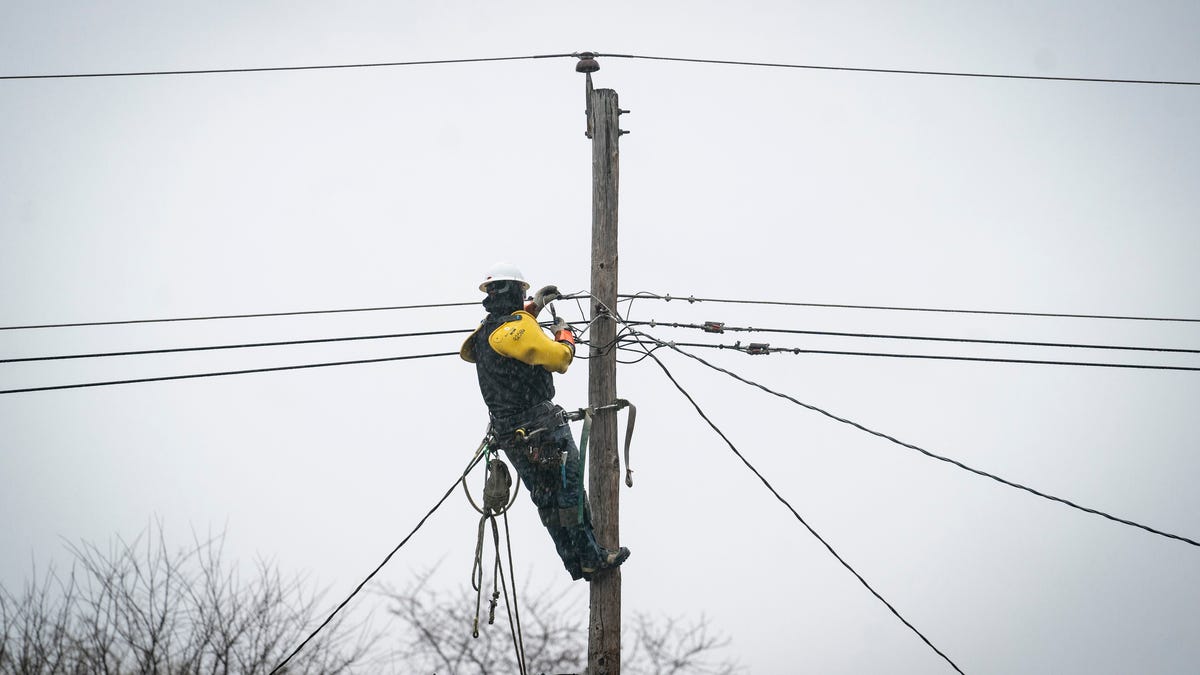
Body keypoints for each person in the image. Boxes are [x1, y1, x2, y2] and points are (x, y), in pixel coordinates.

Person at [460, 262, 630, 581]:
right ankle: (592, 557)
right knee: (567, 490)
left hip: (515, 440)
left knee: (547, 498)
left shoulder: (486, 332)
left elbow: (511, 333)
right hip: (543, 434)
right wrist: (565, 335)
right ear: (516, 291)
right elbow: (559, 358)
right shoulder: (515, 331)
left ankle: (575, 562)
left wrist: (534, 307)